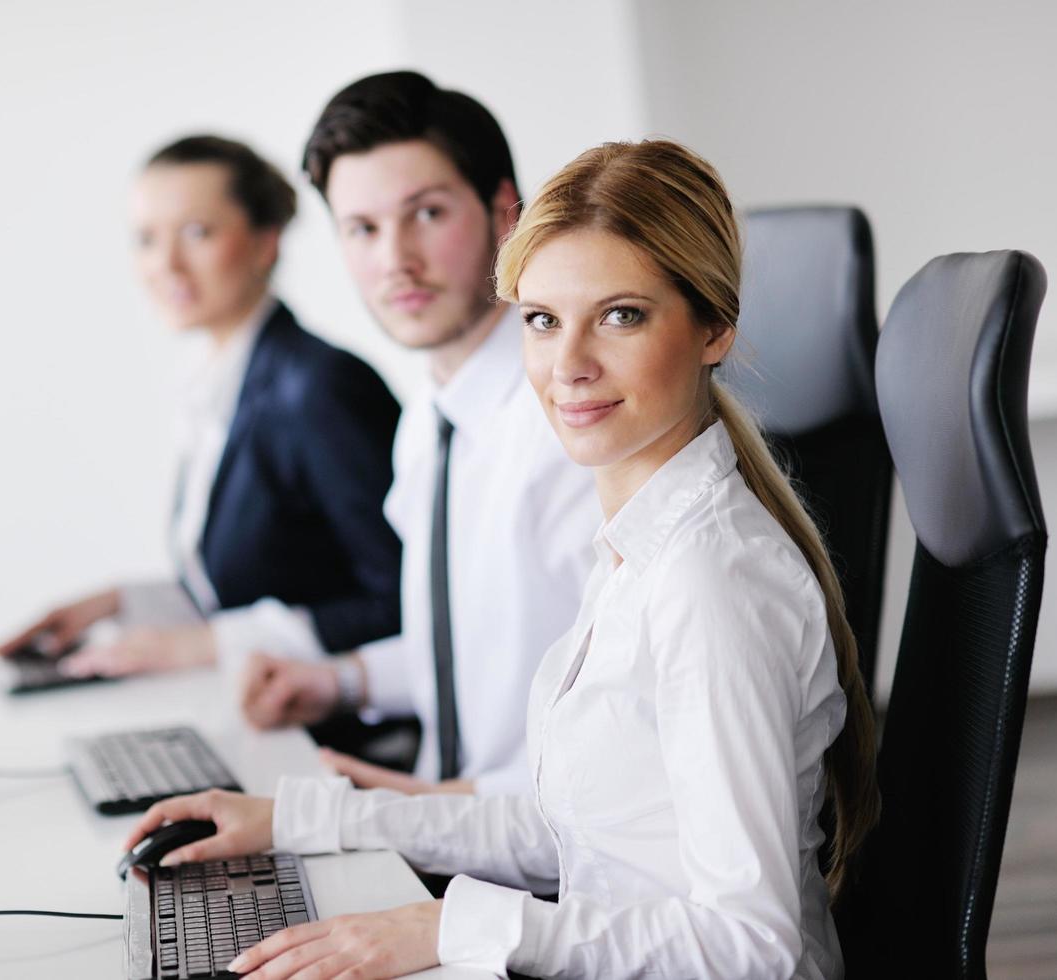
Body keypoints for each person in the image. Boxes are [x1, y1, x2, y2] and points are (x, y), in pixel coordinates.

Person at [124, 139, 882, 979]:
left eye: (621, 315)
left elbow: (756, 948)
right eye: (542, 320)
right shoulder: (640, 546)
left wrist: (452, 928)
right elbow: (571, 831)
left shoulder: (709, 582)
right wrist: (298, 817)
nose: (569, 367)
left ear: (714, 328)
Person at [237, 71, 597, 796]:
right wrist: (340, 681)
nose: (394, 260)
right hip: (459, 832)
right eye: (362, 229)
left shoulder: (572, 421)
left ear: (506, 214)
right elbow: (478, 649)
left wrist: (410, 814)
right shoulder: (430, 421)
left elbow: (620, 747)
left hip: (551, 864)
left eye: (427, 214)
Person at [0, 135, 402, 678]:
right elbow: (243, 590)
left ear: (266, 242)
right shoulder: (221, 380)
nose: (166, 264)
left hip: (336, 727)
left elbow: (402, 602)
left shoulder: (318, 387)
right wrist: (119, 604)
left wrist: (207, 644)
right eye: (145, 239)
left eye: (196, 233)